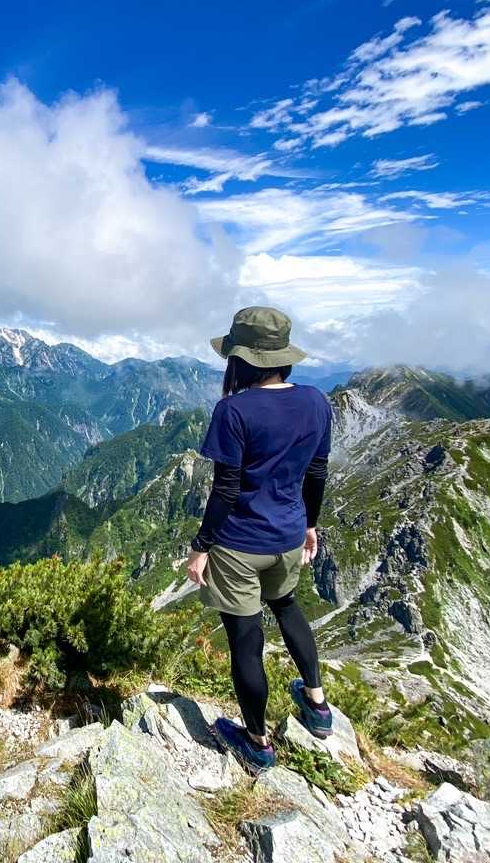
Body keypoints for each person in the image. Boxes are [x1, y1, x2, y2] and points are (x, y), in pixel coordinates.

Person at [186, 306, 334, 775]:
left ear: (241, 359)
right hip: (288, 537)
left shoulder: (233, 410)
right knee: (287, 607)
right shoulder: (316, 401)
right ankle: (318, 705)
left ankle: (256, 742)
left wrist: (201, 546)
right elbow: (317, 471)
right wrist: (310, 524)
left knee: (246, 642)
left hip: (238, 545)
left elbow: (225, 490)